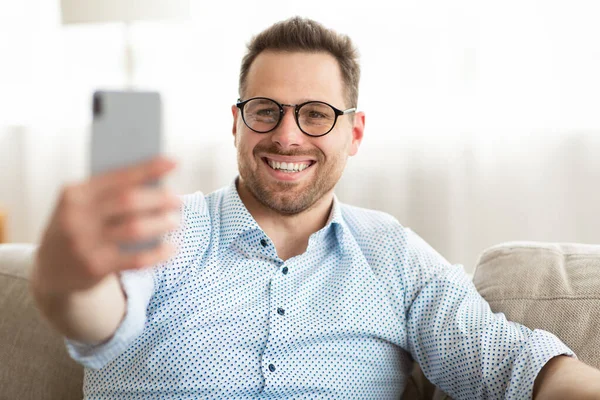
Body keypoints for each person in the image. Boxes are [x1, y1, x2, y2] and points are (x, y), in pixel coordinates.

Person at [31, 16, 600, 399]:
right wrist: (67, 278)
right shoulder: (164, 227)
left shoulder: (392, 254)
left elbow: (512, 366)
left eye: (316, 114)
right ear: (235, 124)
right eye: (265, 111)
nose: (288, 136)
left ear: (353, 134)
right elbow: (99, 315)